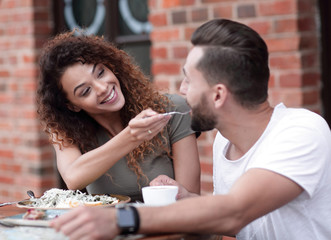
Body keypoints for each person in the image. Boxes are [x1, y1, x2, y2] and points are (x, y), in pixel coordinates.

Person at [50, 19, 331, 240]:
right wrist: (187, 199)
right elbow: (241, 224)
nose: (181, 92)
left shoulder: (301, 131)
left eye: (188, 81)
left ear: (218, 95)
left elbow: (235, 213)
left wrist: (122, 219)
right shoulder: (225, 144)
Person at [36, 31, 201, 202]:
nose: (102, 88)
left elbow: (190, 199)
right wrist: (131, 136)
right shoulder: (64, 129)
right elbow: (72, 177)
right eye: (86, 91)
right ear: (72, 106)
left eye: (100, 73)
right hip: (108, 226)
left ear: (111, 66)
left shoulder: (171, 109)